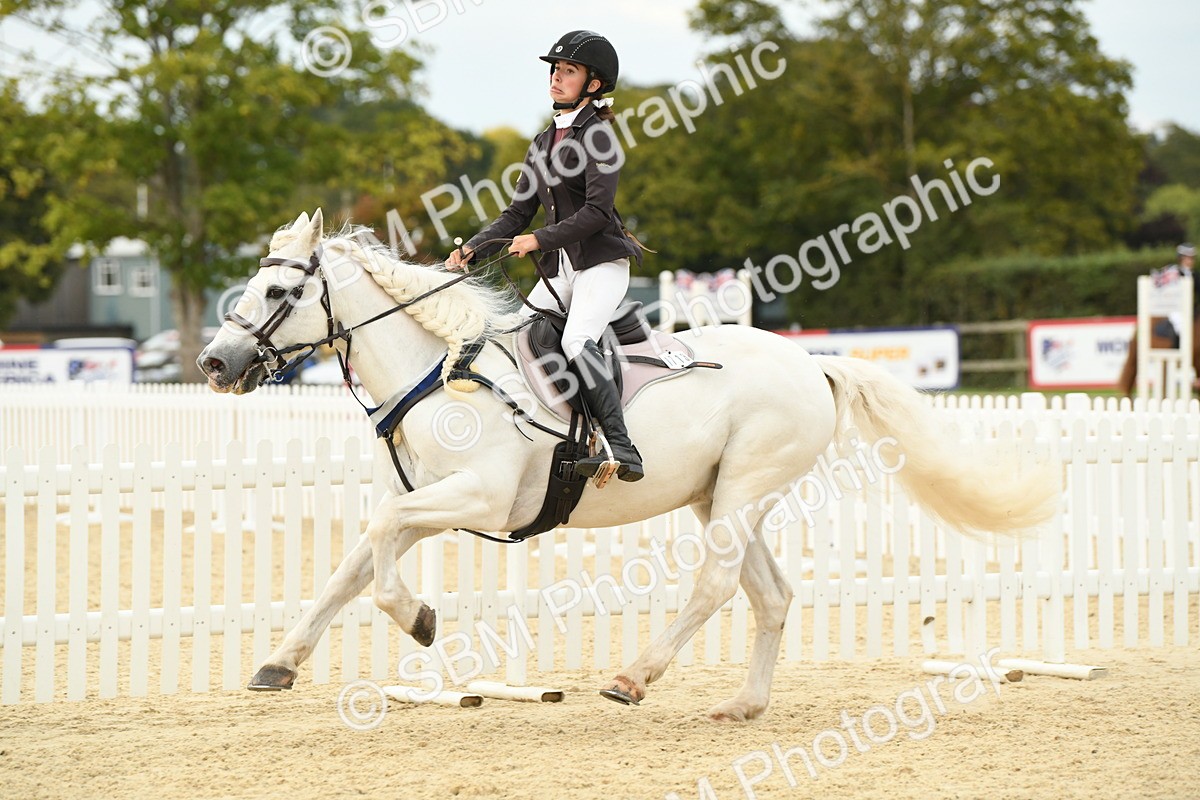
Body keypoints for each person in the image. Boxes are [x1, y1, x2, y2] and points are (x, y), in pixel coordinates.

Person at [446, 30, 646, 482]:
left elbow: (597, 212)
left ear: (593, 84)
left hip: (600, 264)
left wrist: (539, 240)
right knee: (516, 335)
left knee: (576, 340)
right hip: (562, 269)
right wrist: (473, 247)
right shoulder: (542, 142)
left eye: (568, 71)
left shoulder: (599, 138)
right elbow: (517, 213)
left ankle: (622, 446)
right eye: (555, 69)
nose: (556, 77)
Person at [1116, 242, 1199, 395]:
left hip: (1190, 310)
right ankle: (1176, 347)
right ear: (1181, 258)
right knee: (1179, 324)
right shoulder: (1173, 273)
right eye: (1187, 258)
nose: (1190, 261)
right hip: (1173, 308)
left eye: (1191, 258)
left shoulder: (1195, 275)